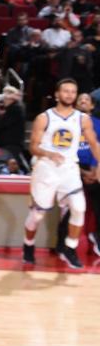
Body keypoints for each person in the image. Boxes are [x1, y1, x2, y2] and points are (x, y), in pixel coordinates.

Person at [23, 79, 100, 269]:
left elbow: (93, 143)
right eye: (65, 91)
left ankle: (69, 248)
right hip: (46, 168)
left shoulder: (82, 119)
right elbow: (32, 147)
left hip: (69, 169)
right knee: (37, 216)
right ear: (57, 94)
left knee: (79, 207)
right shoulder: (44, 117)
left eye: (73, 92)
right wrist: (48, 153)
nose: (69, 95)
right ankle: (28, 244)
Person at [57, 92, 100, 256]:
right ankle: (61, 246)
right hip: (72, 168)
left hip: (94, 168)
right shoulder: (67, 124)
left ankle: (97, 237)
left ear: (92, 106)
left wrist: (95, 170)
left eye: (86, 100)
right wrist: (81, 172)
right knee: (70, 209)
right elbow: (64, 151)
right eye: (80, 99)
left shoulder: (98, 124)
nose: (83, 101)